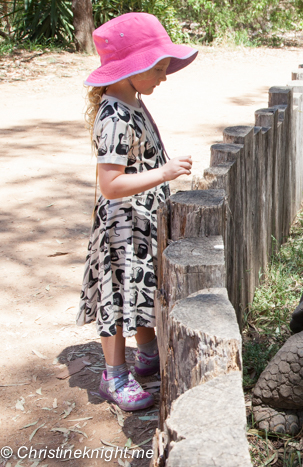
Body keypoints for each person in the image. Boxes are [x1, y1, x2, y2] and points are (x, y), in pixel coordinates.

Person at [77, 12, 197, 411]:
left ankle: (147, 354)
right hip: (121, 229)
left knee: (142, 291)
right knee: (117, 297)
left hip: (142, 222)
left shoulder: (135, 103)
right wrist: (163, 172)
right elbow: (110, 185)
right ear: (132, 71)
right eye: (159, 68)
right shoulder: (114, 116)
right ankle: (114, 374)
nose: (164, 75)